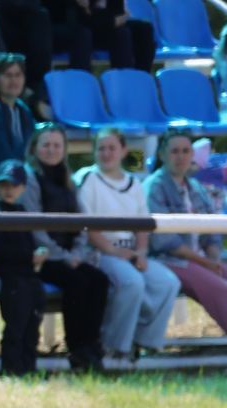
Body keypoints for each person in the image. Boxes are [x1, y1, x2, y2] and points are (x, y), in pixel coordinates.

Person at [75, 126, 178, 360]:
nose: (107, 153)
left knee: (167, 282)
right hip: (100, 251)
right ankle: (115, 347)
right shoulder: (87, 179)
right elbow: (87, 226)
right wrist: (114, 250)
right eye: (101, 148)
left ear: (123, 150)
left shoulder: (134, 183)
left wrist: (140, 252)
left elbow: (142, 224)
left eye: (112, 148)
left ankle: (143, 342)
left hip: (131, 251)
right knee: (131, 283)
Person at [146, 130, 227, 375]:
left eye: (186, 151)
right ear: (162, 154)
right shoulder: (154, 187)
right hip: (170, 260)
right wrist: (206, 262)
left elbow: (212, 230)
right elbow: (164, 241)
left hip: (201, 260)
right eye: (174, 151)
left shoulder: (196, 188)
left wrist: (213, 257)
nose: (180, 157)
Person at [17, 121, 108, 371]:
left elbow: (80, 222)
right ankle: (77, 348)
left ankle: (92, 344)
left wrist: (77, 253)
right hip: (43, 256)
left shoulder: (69, 180)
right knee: (77, 282)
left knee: (99, 281)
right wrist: (61, 256)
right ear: (35, 148)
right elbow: (34, 225)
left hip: (71, 255)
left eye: (57, 145)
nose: (52, 150)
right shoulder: (30, 178)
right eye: (46, 144)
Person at [0, 159, 44, 375]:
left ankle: (29, 367)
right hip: (9, 277)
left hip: (27, 276)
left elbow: (26, 244)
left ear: (23, 188)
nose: (9, 190)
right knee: (16, 325)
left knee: (32, 323)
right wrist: (31, 257)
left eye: (14, 185)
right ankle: (11, 368)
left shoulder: (22, 211)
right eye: (4, 185)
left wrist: (35, 256)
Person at [47, 0, 153, 74]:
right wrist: (114, 21)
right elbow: (83, 18)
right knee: (120, 34)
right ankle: (83, 86)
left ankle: (141, 80)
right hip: (79, 26)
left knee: (143, 29)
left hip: (102, 23)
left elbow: (118, 12)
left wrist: (115, 19)